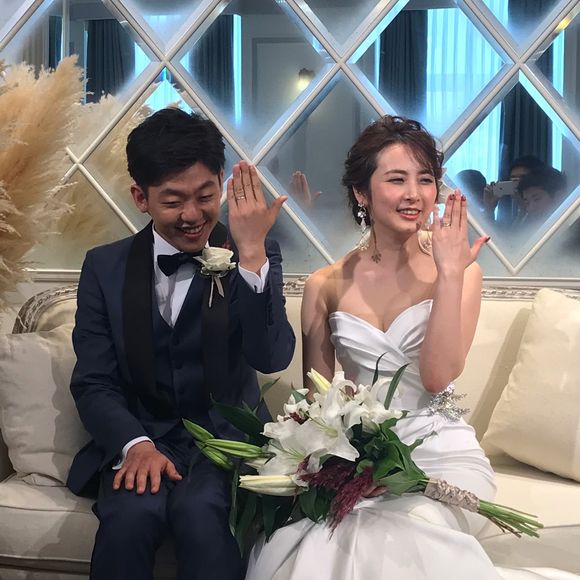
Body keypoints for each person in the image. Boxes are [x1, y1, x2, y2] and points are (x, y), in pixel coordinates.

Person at [244, 116, 578, 580]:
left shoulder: (462, 271)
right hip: (361, 458)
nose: (415, 194)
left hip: (442, 453)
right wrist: (344, 468)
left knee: (396, 531)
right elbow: (317, 408)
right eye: (397, 179)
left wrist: (449, 275)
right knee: (322, 538)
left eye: (425, 179)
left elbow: (438, 377)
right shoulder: (326, 284)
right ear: (362, 193)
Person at [66, 107, 296, 580]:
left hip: (225, 443)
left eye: (205, 196)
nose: (193, 216)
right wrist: (134, 444)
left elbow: (271, 356)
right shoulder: (104, 268)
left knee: (201, 514)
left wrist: (252, 254)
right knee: (129, 518)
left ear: (221, 187)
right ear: (141, 197)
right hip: (143, 436)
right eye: (173, 201)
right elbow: (93, 381)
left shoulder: (253, 252)